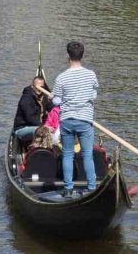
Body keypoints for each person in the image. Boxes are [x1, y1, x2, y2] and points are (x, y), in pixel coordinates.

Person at [40, 41, 99, 197]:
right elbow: (93, 96)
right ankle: (92, 188)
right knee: (87, 155)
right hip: (85, 120)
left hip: (66, 120)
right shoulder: (91, 75)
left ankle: (68, 188)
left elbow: (57, 102)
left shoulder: (61, 78)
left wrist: (53, 96)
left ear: (68, 55)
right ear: (82, 55)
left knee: (67, 154)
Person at [13, 76, 47, 141]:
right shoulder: (26, 98)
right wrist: (43, 126)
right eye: (37, 87)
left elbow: (51, 107)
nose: (39, 89)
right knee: (43, 131)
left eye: (42, 87)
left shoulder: (43, 97)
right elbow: (30, 118)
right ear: (32, 86)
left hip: (38, 126)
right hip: (22, 128)